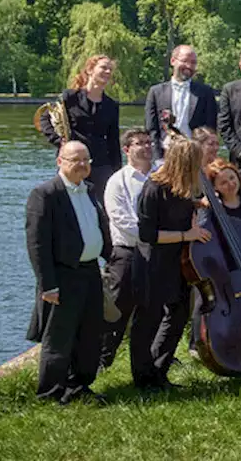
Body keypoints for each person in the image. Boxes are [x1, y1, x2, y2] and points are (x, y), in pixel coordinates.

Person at [25, 141, 112, 404]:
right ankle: (50, 392)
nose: (83, 165)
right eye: (76, 160)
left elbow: (98, 228)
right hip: (63, 276)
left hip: (90, 271)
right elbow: (36, 243)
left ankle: (79, 386)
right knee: (59, 337)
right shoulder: (45, 194)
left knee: (90, 334)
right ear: (59, 161)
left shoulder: (90, 190)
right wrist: (47, 285)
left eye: (86, 160)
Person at [132, 136, 207, 390]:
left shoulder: (181, 188)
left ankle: (159, 370)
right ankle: (143, 378)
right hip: (154, 263)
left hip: (178, 261)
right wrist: (188, 236)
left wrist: (198, 204)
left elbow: (179, 210)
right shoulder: (153, 188)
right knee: (149, 319)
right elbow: (148, 235)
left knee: (178, 314)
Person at [99, 129, 153, 369]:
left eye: (149, 142)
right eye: (139, 143)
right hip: (127, 254)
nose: (146, 147)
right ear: (126, 150)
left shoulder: (160, 175)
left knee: (150, 312)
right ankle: (100, 363)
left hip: (157, 254)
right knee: (117, 312)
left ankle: (144, 367)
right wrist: (159, 235)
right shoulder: (117, 181)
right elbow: (122, 221)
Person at [39, 54, 122, 190]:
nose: (108, 72)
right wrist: (59, 142)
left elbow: (113, 141)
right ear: (90, 70)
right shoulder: (70, 97)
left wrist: (117, 171)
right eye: (103, 68)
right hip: (72, 161)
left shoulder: (111, 105)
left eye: (110, 69)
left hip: (101, 165)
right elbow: (44, 118)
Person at [145, 45, 218, 159]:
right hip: (165, 155)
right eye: (184, 61)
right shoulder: (156, 92)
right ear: (173, 61)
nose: (189, 66)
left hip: (195, 156)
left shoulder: (206, 93)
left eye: (193, 62)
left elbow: (211, 128)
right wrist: (157, 159)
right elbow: (151, 130)